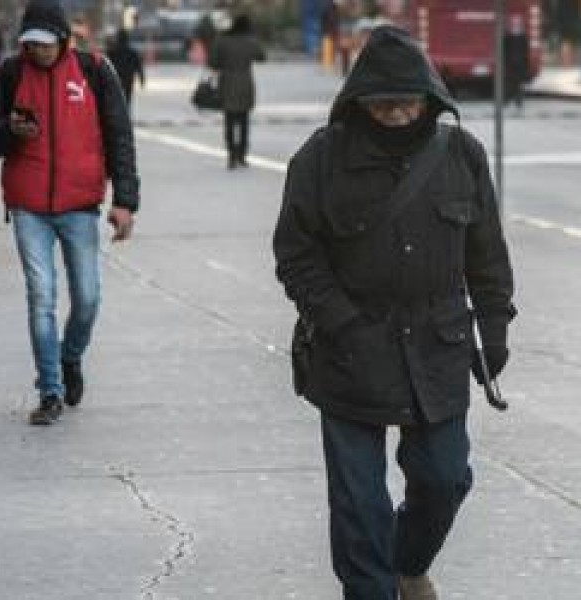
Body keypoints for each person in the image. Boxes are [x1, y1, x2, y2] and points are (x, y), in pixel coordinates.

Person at [273, 26, 515, 600]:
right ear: (360, 101)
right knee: (359, 505)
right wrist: (340, 320)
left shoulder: (462, 155)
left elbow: (486, 252)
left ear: (430, 97)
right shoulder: (320, 158)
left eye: (409, 102)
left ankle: (407, 563)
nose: (399, 114)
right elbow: (295, 254)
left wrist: (495, 326)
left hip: (438, 346)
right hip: (350, 351)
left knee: (443, 478)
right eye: (385, 104)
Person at [0, 0, 139, 426]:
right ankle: (49, 390)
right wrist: (10, 131)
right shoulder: (9, 74)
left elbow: (120, 136)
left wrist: (125, 200)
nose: (38, 51)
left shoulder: (96, 70)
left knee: (87, 297)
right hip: (28, 207)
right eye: (31, 44)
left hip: (81, 204)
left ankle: (70, 357)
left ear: (64, 40)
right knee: (41, 296)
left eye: (45, 44)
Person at [208, 14, 265, 169]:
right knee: (244, 120)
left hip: (227, 83)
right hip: (245, 83)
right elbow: (261, 56)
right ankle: (242, 154)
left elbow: (213, 62)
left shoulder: (222, 40)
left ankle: (231, 154)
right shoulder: (250, 41)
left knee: (229, 120)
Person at [106, 29, 145, 108]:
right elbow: (138, 66)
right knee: (127, 98)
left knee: (116, 99)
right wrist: (142, 78)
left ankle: (118, 116)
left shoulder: (112, 52)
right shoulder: (132, 52)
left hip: (115, 79)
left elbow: (106, 66)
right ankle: (126, 115)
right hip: (128, 79)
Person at [503, 14, 530, 111]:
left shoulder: (523, 36)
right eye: (514, 23)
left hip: (520, 64)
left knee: (518, 84)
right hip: (511, 64)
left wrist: (526, 65)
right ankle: (507, 100)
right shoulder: (508, 36)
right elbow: (505, 51)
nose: (516, 25)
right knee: (510, 83)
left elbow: (526, 51)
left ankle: (518, 101)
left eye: (517, 23)